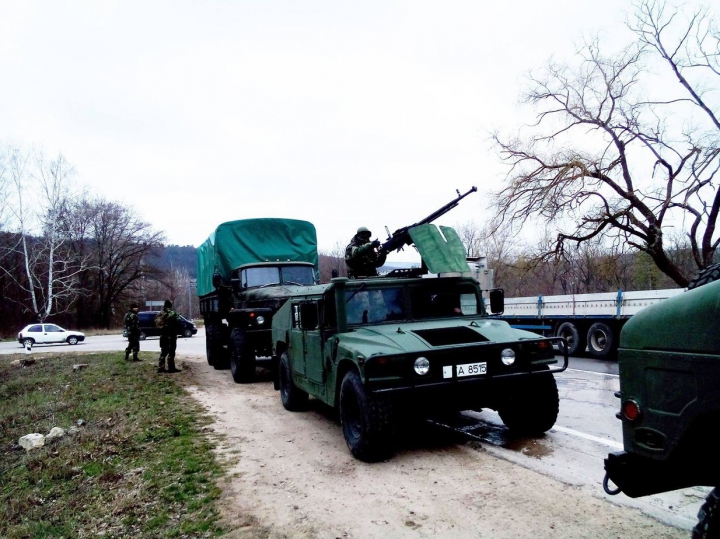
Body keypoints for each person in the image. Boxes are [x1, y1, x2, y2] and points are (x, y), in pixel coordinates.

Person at [157, 299, 180, 373]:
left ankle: (161, 367)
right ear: (170, 305)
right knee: (171, 352)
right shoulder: (172, 313)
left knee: (163, 351)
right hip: (171, 334)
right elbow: (178, 322)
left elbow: (157, 323)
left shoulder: (160, 313)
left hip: (163, 335)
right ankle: (171, 368)